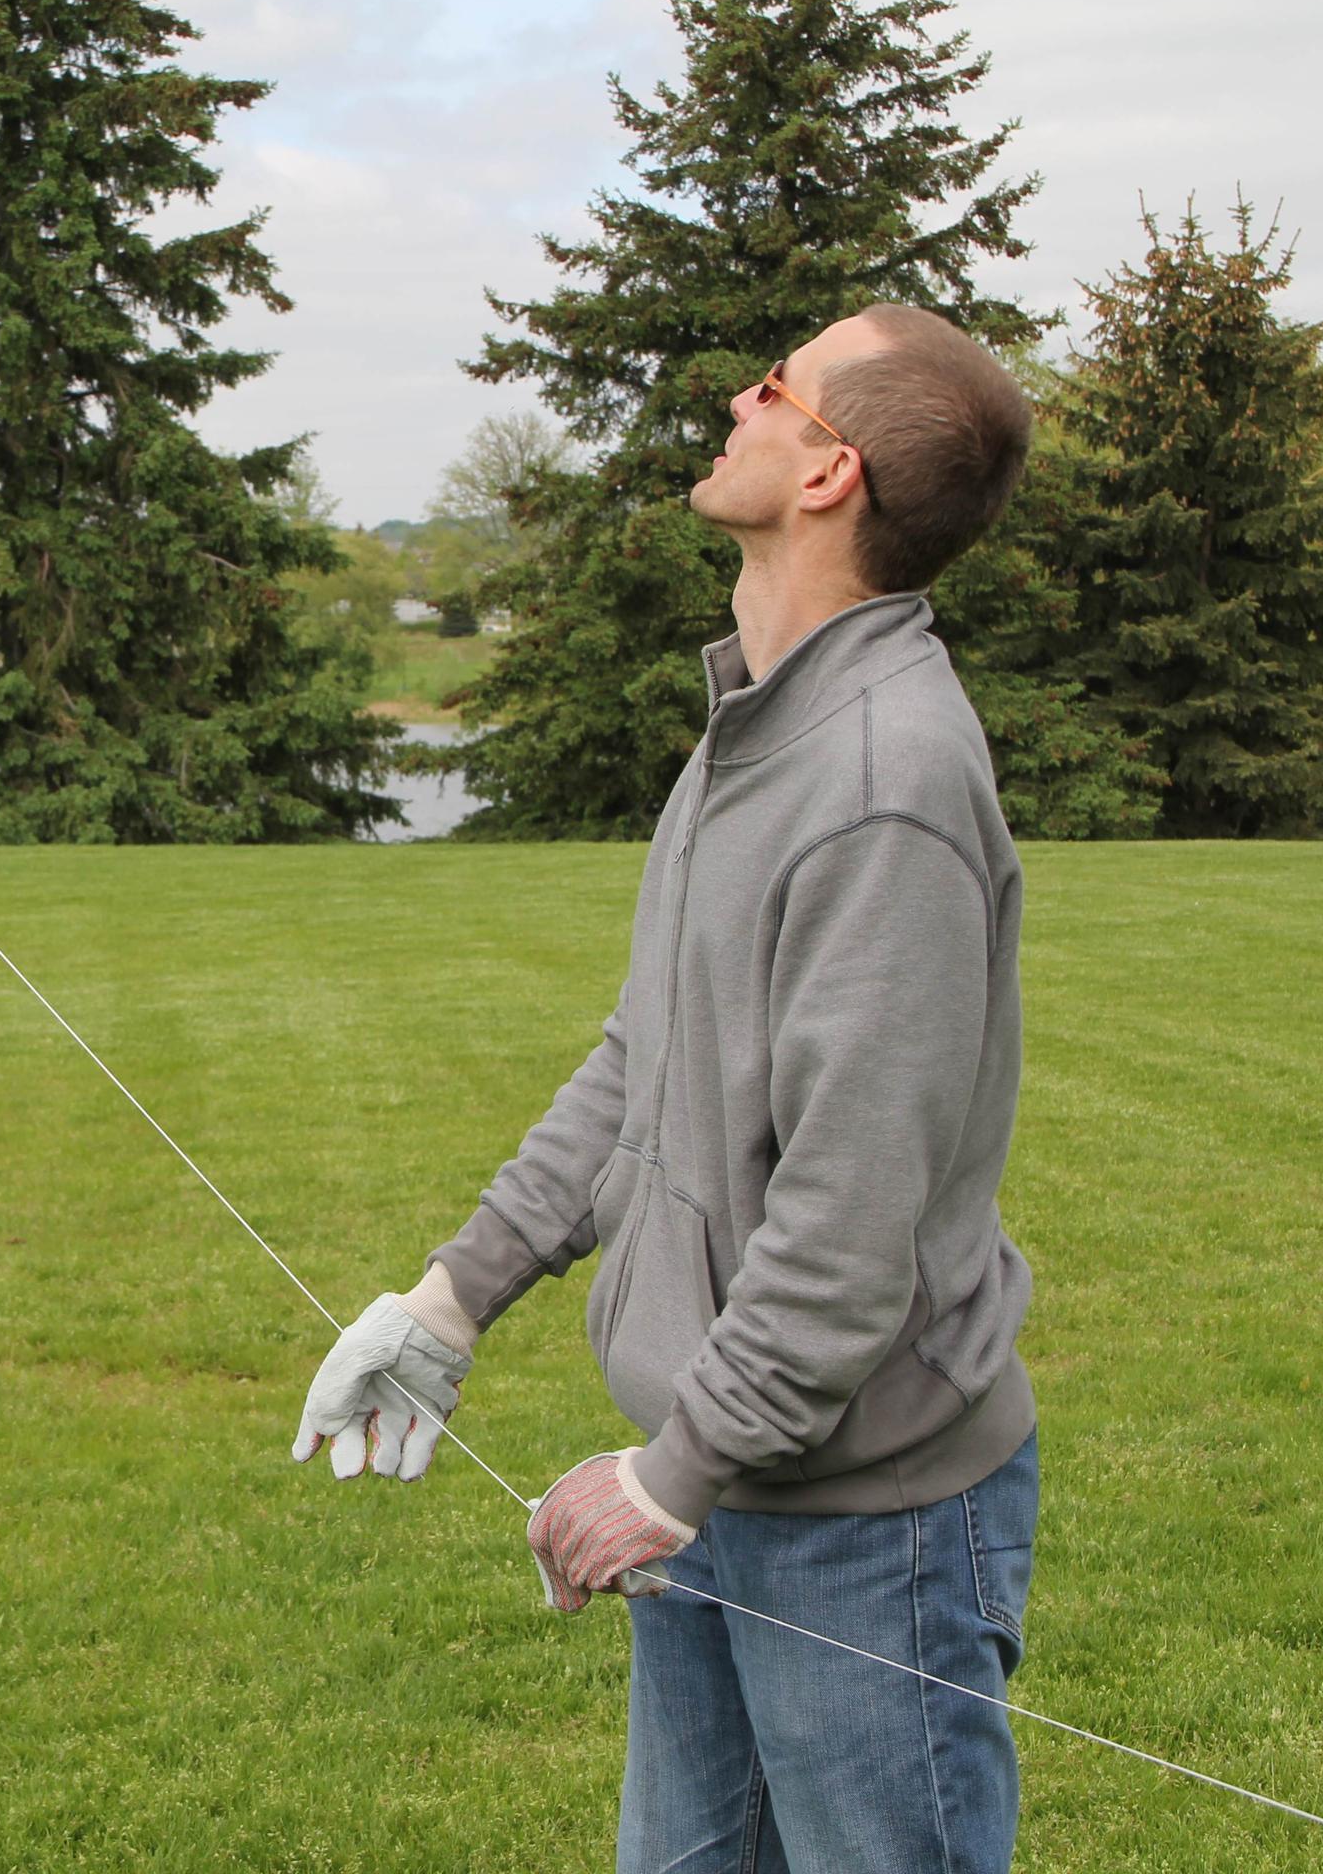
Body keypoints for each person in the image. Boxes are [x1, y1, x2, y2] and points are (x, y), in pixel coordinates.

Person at [296, 306, 1041, 1872]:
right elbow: (648, 1059)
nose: (738, 400)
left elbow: (848, 1235)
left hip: (866, 1529)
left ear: (829, 471)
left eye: (776, 387)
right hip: (721, 1479)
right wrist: (449, 1301)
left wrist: (670, 1476)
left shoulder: (882, 783)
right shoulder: (762, 727)